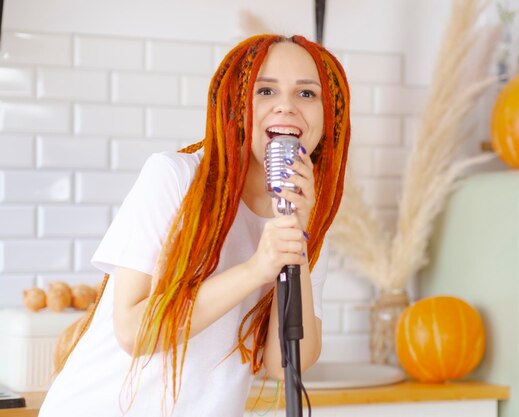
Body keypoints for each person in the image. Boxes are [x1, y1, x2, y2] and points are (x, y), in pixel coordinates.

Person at [38, 34, 351, 417]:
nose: (286, 106)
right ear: (237, 104)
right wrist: (257, 269)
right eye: (265, 90)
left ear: (329, 115)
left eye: (307, 94)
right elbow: (135, 332)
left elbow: (285, 364)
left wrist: (295, 239)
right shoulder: (174, 177)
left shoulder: (308, 216)